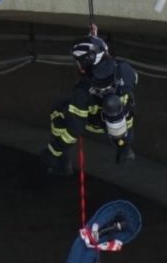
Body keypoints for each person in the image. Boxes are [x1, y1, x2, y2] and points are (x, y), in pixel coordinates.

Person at [44, 33, 140, 173]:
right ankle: (125, 148)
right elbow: (132, 80)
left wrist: (54, 151)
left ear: (85, 62)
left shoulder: (83, 91)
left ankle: (61, 159)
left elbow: (75, 130)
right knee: (126, 106)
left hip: (96, 125)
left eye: (78, 60)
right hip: (124, 123)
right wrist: (94, 41)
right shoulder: (125, 70)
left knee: (58, 109)